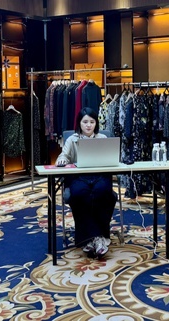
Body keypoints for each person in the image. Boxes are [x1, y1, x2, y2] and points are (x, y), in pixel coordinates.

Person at [56, 107, 117, 258]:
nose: (88, 125)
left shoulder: (103, 138)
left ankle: (89, 239)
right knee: (78, 194)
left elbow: (111, 157)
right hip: (79, 177)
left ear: (96, 123)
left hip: (100, 176)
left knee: (104, 193)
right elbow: (63, 156)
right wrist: (62, 160)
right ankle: (98, 237)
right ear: (79, 123)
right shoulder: (72, 139)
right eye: (85, 122)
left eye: (92, 122)